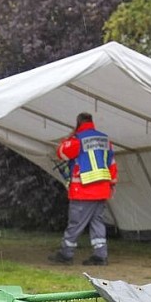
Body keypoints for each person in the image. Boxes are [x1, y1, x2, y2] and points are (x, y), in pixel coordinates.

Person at [48, 112, 118, 266]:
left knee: (75, 223)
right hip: (102, 190)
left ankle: (66, 254)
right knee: (97, 222)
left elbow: (61, 153)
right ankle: (100, 255)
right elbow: (111, 163)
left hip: (83, 190)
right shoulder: (105, 140)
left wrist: (69, 137)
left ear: (78, 123)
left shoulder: (77, 140)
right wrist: (111, 184)